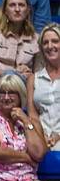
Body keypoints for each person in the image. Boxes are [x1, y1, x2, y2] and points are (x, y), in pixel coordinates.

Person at [0, 0, 40, 79]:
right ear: (5, 10)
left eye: (21, 5)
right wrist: (13, 73)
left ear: (28, 10)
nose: (17, 9)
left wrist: (29, 73)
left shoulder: (36, 39)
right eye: (12, 5)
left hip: (23, 88)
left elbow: (38, 76)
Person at [27, 22, 60, 150]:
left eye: (55, 41)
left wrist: (58, 135)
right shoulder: (33, 78)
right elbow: (32, 115)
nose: (50, 46)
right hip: (41, 136)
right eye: (45, 43)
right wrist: (42, 135)